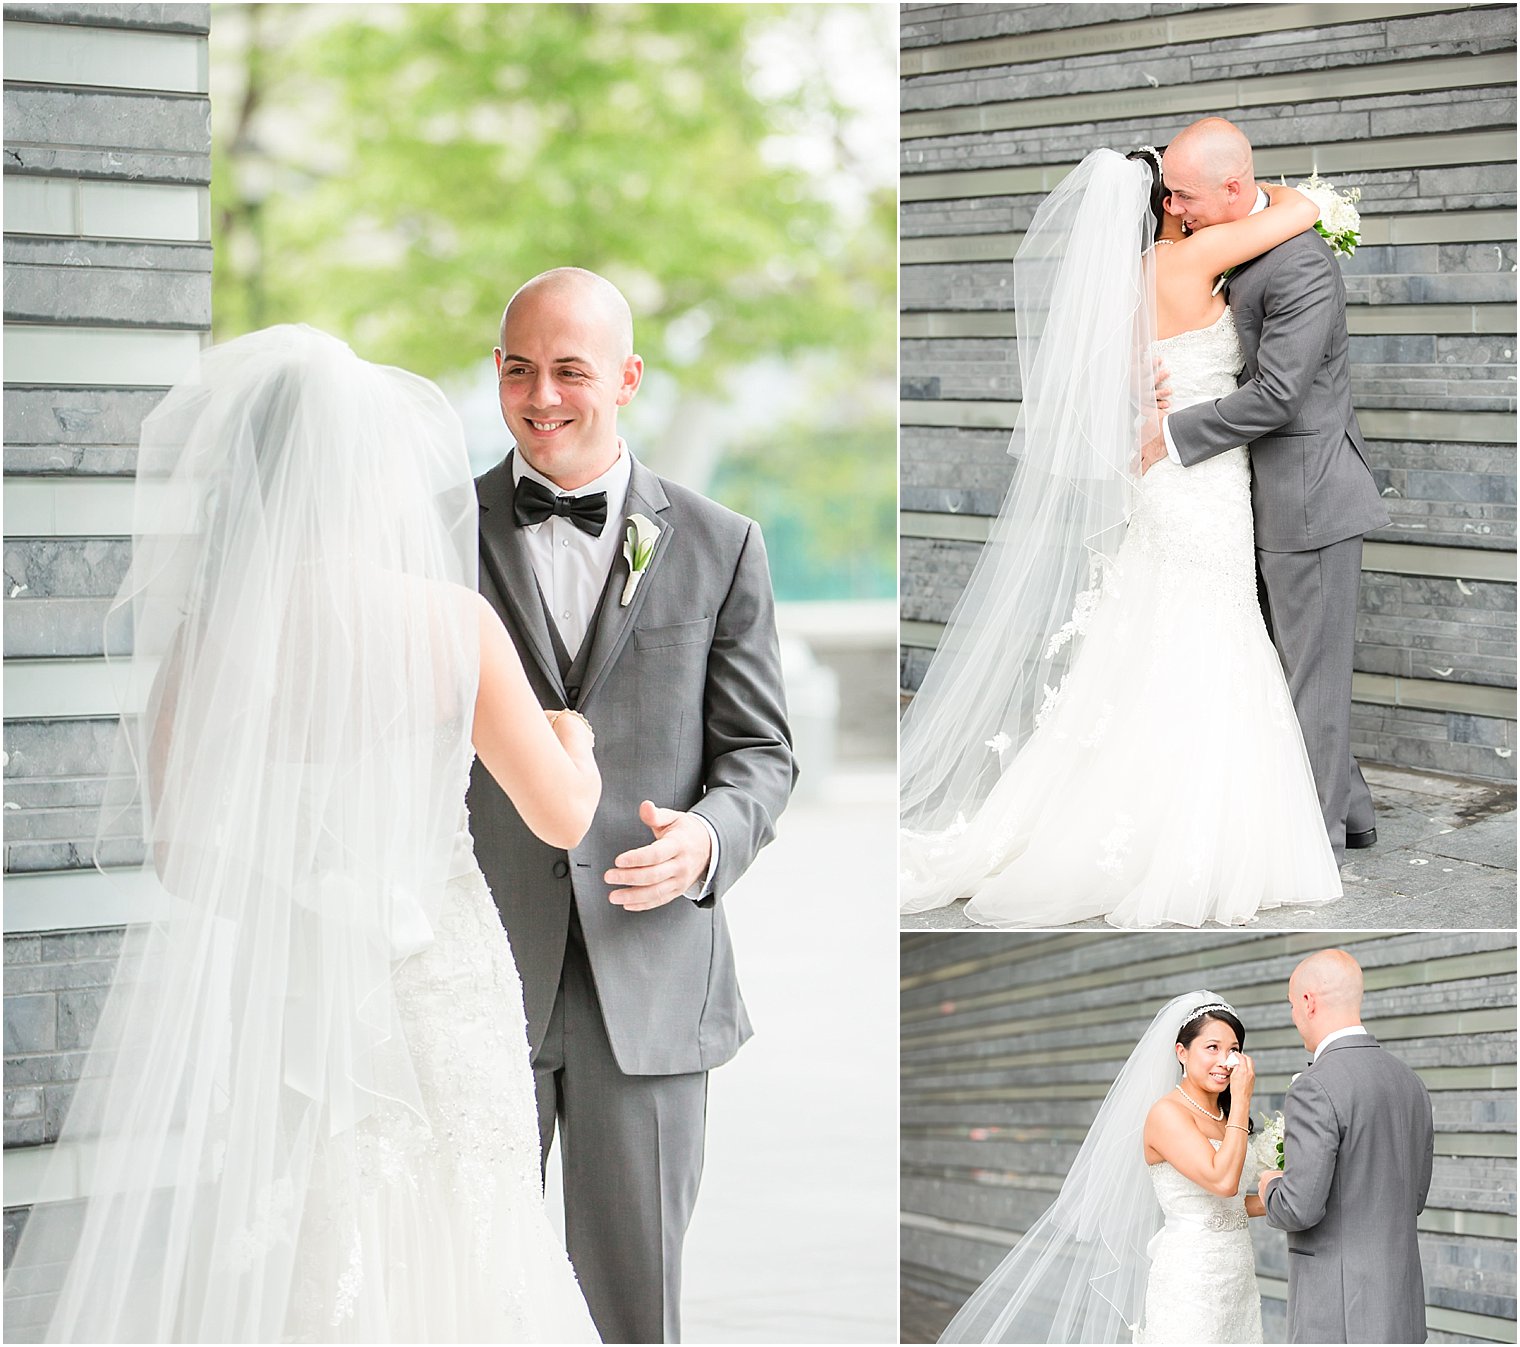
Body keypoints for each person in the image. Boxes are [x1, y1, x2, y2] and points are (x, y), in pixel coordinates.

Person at [3, 325, 602, 1342]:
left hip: (284, 975)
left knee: (299, 1212)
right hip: (436, 969)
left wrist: (298, 896)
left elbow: (178, 854)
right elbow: (560, 814)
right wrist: (573, 736)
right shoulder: (452, 625)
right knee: (467, 1212)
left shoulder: (209, 641)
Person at [468, 268, 797, 1344]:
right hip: (471, 975)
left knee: (635, 1313)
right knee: (459, 1293)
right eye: (518, 369)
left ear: (628, 376)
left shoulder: (720, 542)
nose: (541, 396)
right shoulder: (428, 532)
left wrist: (706, 840)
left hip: (649, 984)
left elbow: (760, 755)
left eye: (569, 370)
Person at [899, 140, 1341, 926]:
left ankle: (1168, 811)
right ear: (1162, 207)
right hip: (1199, 479)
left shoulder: (1133, 279)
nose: (1180, 205)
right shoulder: (1189, 260)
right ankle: (1193, 828)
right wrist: (1248, 186)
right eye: (1171, 195)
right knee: (1209, 635)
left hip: (1168, 472)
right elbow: (1305, 208)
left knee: (1155, 641)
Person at [1147, 119, 1390, 862]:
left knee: (1310, 682)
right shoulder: (1227, 240)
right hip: (1252, 494)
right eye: (1169, 197)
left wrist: (1175, 433)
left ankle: (1309, 845)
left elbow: (1280, 394)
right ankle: (1352, 815)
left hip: (1309, 495)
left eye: (1186, 196)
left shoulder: (1300, 265)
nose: (1178, 209)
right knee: (1294, 671)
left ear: (1231, 186)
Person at [938, 992, 1269, 1343]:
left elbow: (1225, 1205)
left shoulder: (1224, 1117)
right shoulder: (1168, 1114)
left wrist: (1283, 1195)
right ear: (1181, 1053)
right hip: (1191, 1279)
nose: (1226, 1060)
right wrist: (1243, 1098)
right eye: (1212, 1047)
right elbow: (1222, 1180)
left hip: (1237, 1275)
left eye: (1233, 1049)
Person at [1258, 950, 1434, 1343]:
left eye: (1291, 1005)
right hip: (1401, 1312)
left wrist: (1270, 1183)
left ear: (1308, 1002)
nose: (1293, 1017)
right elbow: (1415, 1198)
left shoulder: (1314, 1086)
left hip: (1336, 1316)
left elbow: (1298, 1207)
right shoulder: (1410, 1083)